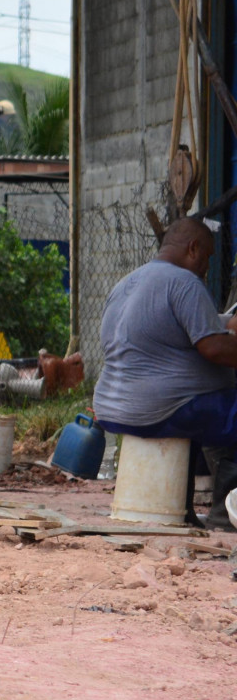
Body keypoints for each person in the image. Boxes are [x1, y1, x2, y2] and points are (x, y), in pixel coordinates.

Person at [92, 217, 237, 530]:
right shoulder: (185, 283)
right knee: (225, 414)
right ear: (193, 248)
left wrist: (224, 325)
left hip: (114, 407)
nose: (207, 267)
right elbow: (214, 348)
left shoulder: (129, 283)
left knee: (200, 412)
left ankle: (181, 508)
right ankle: (227, 515)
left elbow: (180, 327)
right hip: (160, 410)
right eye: (208, 257)